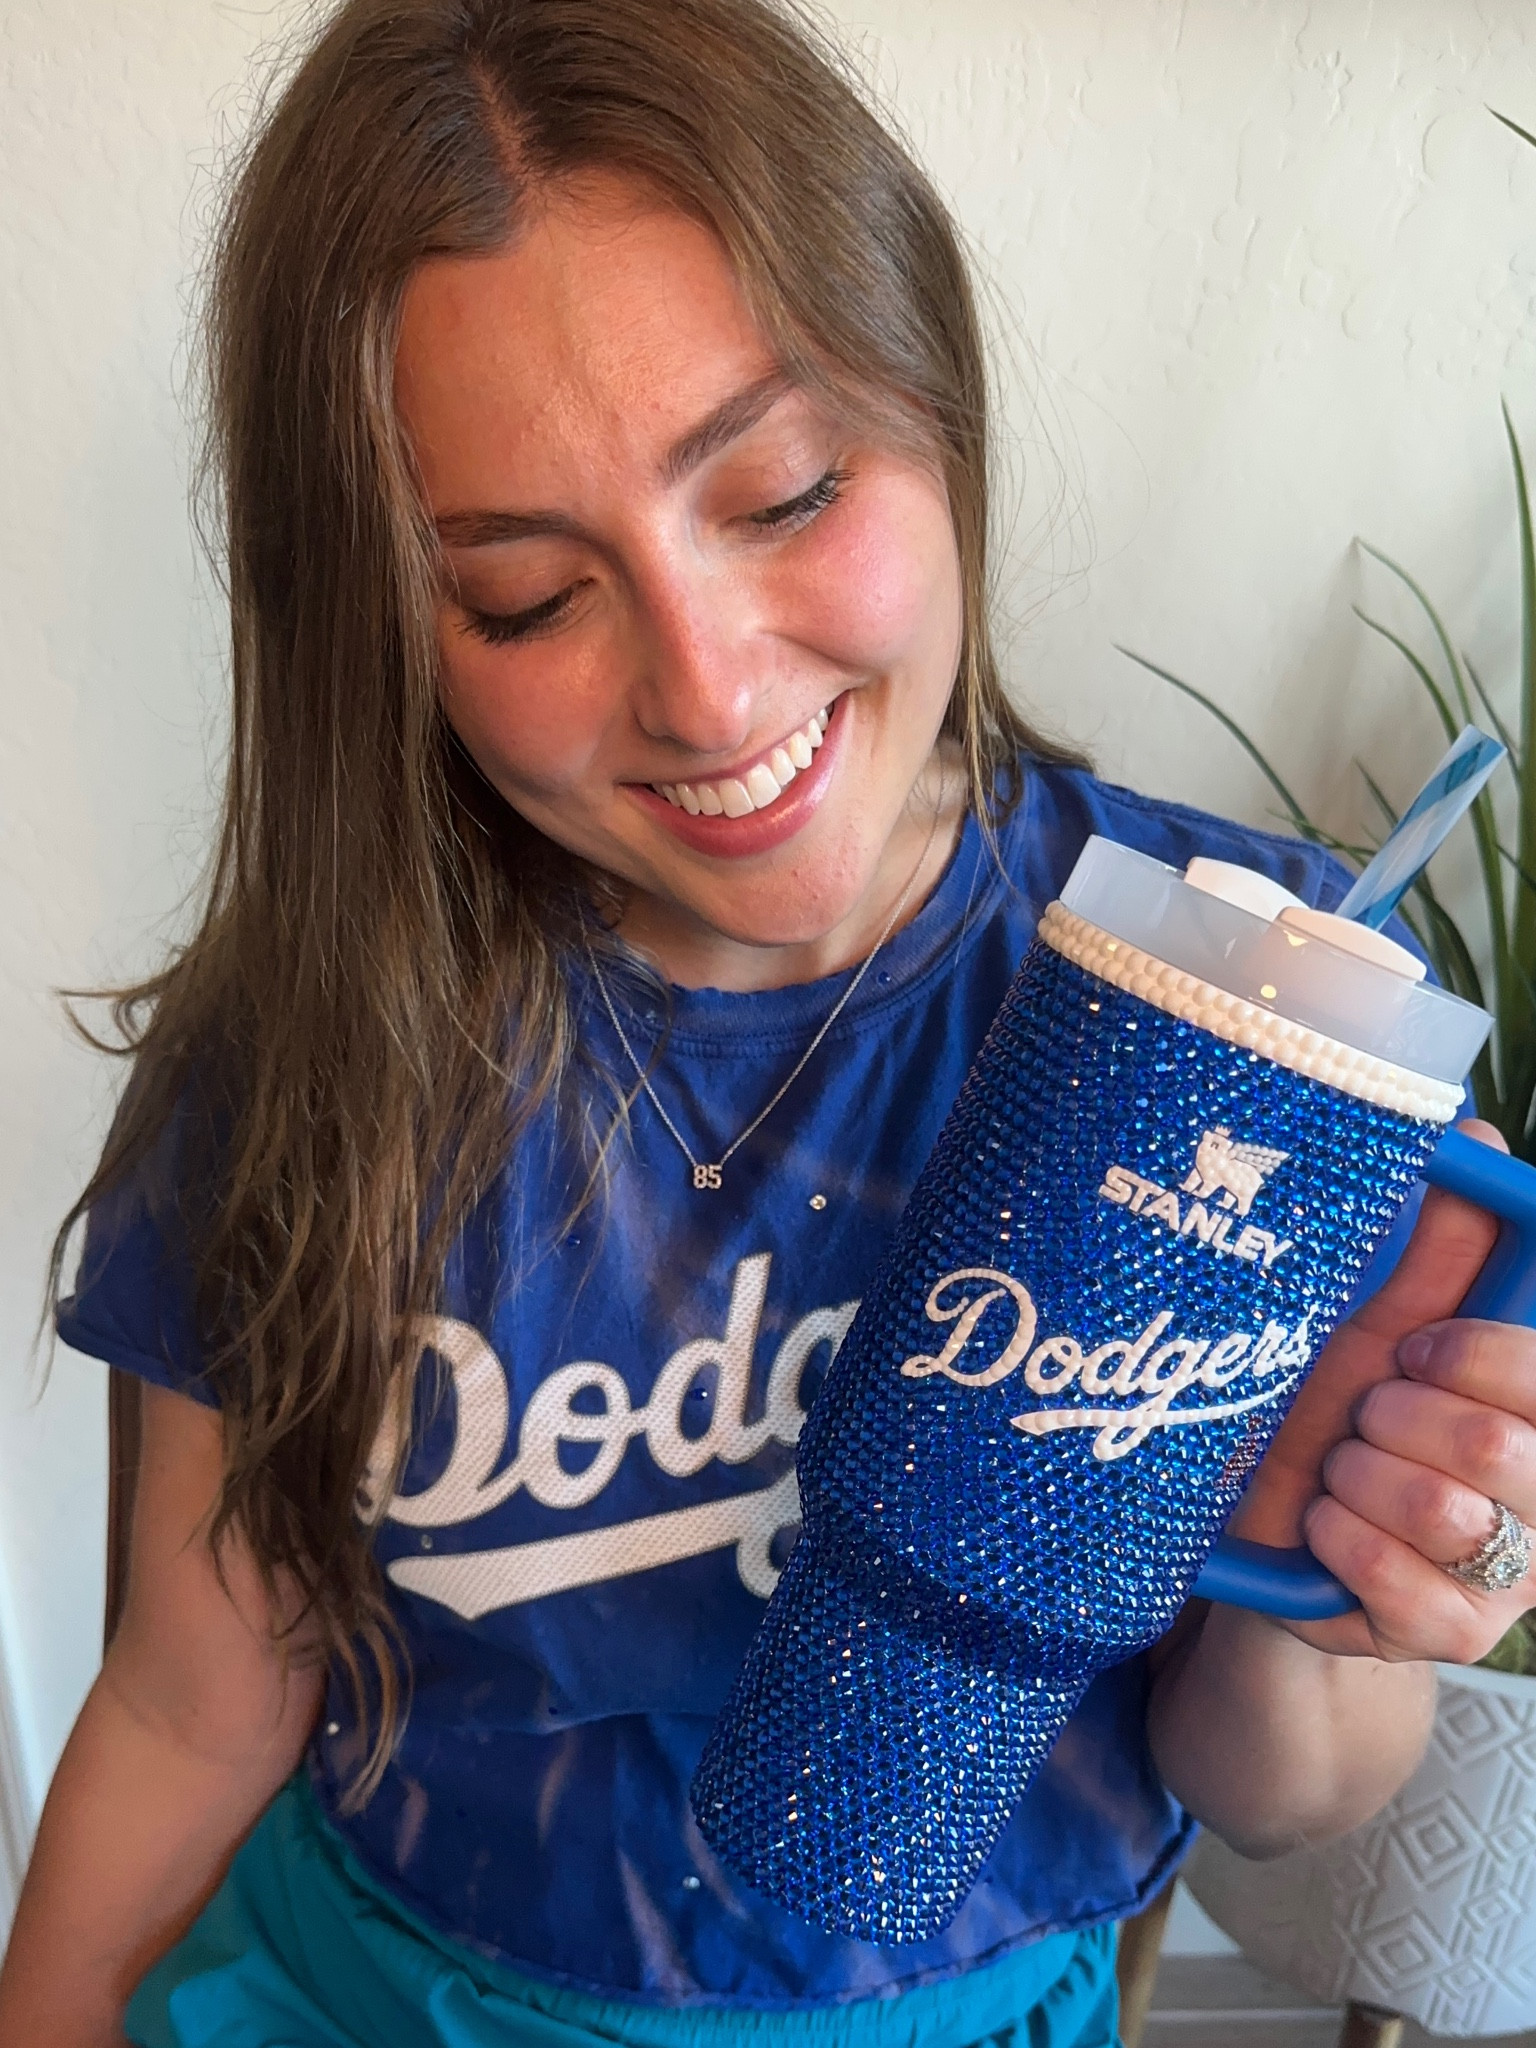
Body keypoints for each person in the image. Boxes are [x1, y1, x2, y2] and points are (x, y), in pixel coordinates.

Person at [2, 1, 1534, 2042]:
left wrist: (1358, 1571)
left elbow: (1276, 1785)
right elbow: (194, 1708)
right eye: (528, 596)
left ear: (936, 401)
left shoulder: (1239, 1022)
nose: (711, 692)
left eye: (789, 493)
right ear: (386, 626)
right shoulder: (308, 1050)